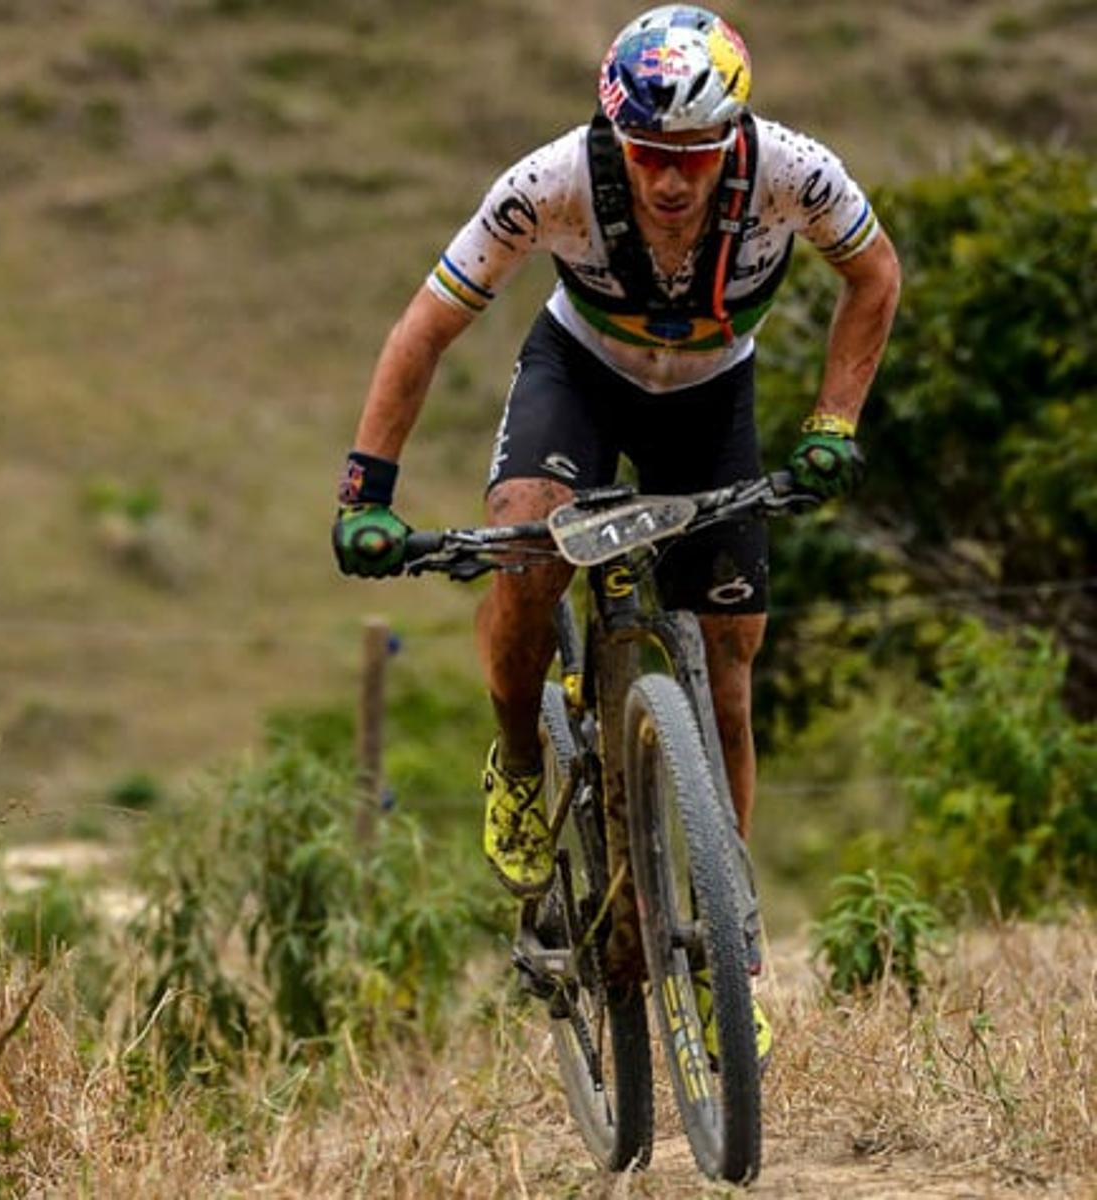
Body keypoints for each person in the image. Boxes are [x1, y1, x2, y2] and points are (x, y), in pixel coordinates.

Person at [331, 6, 899, 1059]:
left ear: (733, 137)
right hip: (579, 381)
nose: (673, 180)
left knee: (730, 674)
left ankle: (732, 952)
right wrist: (366, 490)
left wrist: (832, 424)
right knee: (527, 547)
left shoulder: (796, 172)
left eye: (693, 154)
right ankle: (515, 755)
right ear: (612, 133)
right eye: (649, 154)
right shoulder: (547, 184)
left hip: (714, 401)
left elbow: (875, 276)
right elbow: (427, 325)